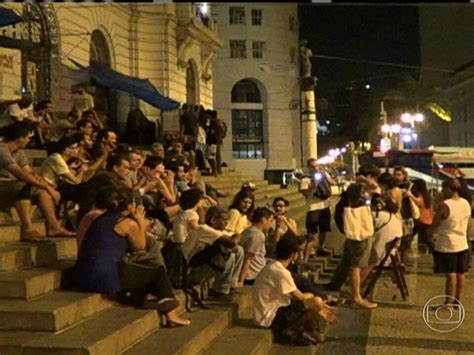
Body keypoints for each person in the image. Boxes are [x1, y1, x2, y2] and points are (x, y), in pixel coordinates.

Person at [74, 185, 190, 327]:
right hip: (106, 277)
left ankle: (151, 299)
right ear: (130, 205)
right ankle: (171, 313)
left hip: (83, 276)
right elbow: (140, 248)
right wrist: (140, 221)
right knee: (157, 273)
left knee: (140, 272)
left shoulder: (101, 219)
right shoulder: (127, 223)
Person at [252, 234, 336, 345]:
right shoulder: (280, 272)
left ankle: (315, 325)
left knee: (317, 305)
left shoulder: (272, 267)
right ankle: (299, 330)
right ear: (293, 255)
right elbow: (301, 297)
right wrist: (314, 298)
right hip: (269, 318)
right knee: (316, 302)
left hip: (269, 312)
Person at [0, 121, 67, 241]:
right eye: (27, 138)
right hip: (3, 186)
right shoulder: (2, 150)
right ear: (20, 139)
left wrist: (42, 184)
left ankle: (53, 226)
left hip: (10, 186)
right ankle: (27, 229)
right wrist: (47, 187)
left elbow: (29, 172)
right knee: (24, 185)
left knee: (41, 190)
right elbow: (20, 174)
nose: (29, 141)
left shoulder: (19, 153)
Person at [327, 164, 381, 309]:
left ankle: (336, 286)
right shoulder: (356, 188)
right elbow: (375, 187)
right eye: (374, 177)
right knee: (356, 265)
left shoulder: (358, 189)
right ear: (369, 176)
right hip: (359, 232)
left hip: (358, 230)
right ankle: (356, 296)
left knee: (348, 260)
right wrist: (363, 179)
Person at [183, 207, 244, 300]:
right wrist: (238, 235)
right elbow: (231, 242)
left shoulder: (217, 231)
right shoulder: (203, 229)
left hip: (199, 267)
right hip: (189, 271)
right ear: (213, 220)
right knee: (228, 253)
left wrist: (236, 237)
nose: (226, 223)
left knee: (239, 250)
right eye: (223, 220)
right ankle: (220, 290)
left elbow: (235, 242)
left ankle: (231, 285)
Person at [430, 178, 471, 306]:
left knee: (451, 274)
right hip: (462, 242)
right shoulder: (465, 203)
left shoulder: (445, 205)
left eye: (443, 189)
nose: (442, 192)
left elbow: (434, 223)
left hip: (448, 243)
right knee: (460, 274)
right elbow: (468, 222)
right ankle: (457, 300)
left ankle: (447, 302)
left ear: (449, 189)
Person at [300, 158, 336, 256]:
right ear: (308, 167)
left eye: (317, 166)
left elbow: (333, 183)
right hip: (313, 207)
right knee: (312, 230)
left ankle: (321, 247)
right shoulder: (305, 178)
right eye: (313, 166)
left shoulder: (323, 174)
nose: (315, 168)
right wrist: (313, 185)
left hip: (325, 205)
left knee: (324, 228)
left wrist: (327, 178)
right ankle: (310, 249)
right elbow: (305, 193)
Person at [238, 207, 275, 285]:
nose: (271, 225)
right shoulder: (258, 235)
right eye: (270, 221)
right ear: (263, 219)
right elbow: (248, 259)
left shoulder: (248, 230)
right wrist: (241, 280)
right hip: (255, 274)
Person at [409, 179, 434, 253]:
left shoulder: (419, 196)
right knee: (427, 240)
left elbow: (418, 202)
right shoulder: (428, 196)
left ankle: (436, 254)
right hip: (428, 220)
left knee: (425, 240)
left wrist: (410, 195)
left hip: (421, 220)